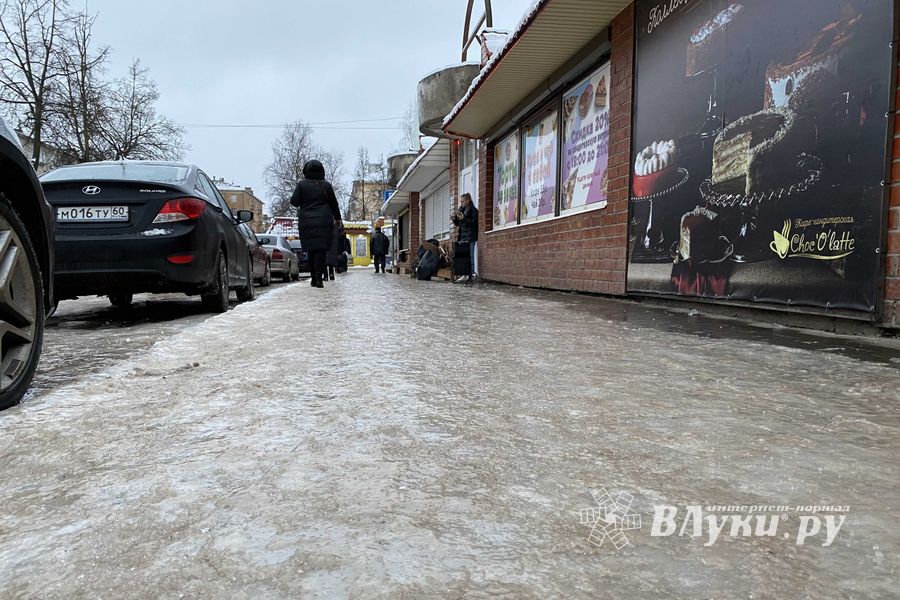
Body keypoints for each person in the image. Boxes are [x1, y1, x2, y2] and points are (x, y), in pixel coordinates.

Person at [290, 160, 342, 288]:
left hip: (306, 221)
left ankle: (313, 278)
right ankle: (319, 278)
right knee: (321, 250)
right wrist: (338, 219)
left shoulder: (302, 184)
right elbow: (334, 204)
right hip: (324, 220)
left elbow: (294, 202)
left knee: (311, 250)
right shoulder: (327, 185)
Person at [452, 193, 479, 282]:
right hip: (462, 236)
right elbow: (458, 224)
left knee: (470, 256)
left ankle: (471, 274)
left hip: (470, 237)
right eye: (461, 202)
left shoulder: (474, 210)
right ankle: (464, 273)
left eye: (463, 201)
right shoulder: (461, 210)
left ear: (468, 200)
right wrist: (454, 219)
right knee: (463, 256)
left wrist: (463, 218)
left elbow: (474, 223)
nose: (461, 203)